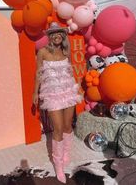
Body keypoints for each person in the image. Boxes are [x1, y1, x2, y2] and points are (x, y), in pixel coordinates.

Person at [33, 22, 83, 183]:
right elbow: (39, 74)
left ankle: (66, 152)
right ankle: (58, 165)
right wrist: (35, 92)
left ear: (63, 36)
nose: (56, 36)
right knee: (58, 129)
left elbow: (69, 72)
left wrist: (76, 88)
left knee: (68, 126)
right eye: (53, 33)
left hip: (67, 91)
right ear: (49, 36)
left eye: (59, 34)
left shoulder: (65, 51)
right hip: (52, 93)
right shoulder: (42, 52)